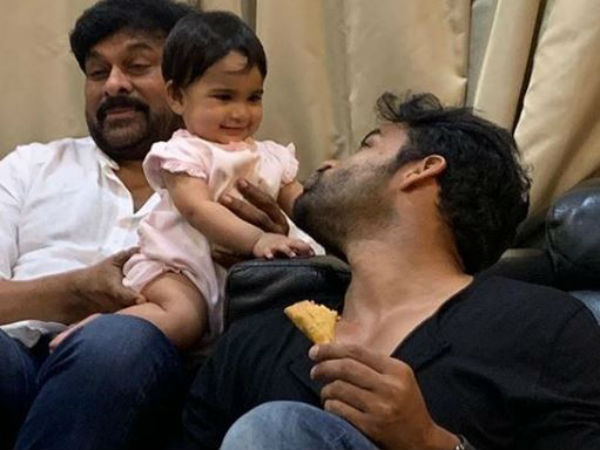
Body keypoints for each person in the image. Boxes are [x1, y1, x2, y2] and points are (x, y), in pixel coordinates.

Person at [173, 93, 600, 450]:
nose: (327, 163)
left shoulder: (541, 326)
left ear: (421, 169)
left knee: (274, 430)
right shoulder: (258, 337)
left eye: (367, 146)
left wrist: (432, 443)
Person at [0, 1, 302, 448]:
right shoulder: (31, 166)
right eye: (97, 72)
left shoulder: (247, 175)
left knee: (117, 344)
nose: (114, 85)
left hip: (149, 373)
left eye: (138, 66)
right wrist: (71, 293)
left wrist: (269, 246)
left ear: (185, 83)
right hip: (18, 359)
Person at [50, 11, 317, 353]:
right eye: (224, 97)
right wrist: (258, 239)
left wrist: (337, 221)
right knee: (181, 317)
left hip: (241, 281)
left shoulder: (272, 155)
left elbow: (305, 207)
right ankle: (96, 332)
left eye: (253, 97)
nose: (241, 112)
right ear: (177, 97)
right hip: (178, 269)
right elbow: (197, 208)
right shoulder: (183, 153)